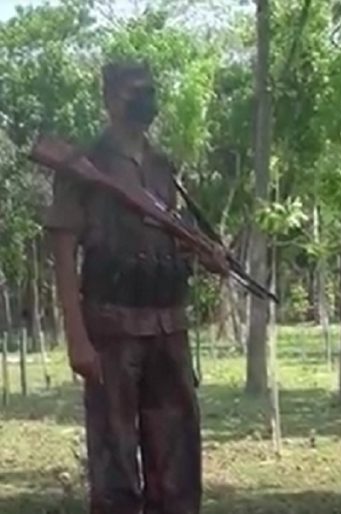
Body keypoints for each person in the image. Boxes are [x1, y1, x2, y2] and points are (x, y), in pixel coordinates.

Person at [46, 60, 228, 514]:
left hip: (169, 328)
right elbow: (64, 253)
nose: (146, 101)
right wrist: (76, 338)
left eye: (151, 91)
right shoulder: (82, 165)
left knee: (178, 463)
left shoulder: (164, 167)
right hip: (111, 329)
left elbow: (171, 240)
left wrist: (205, 256)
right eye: (135, 93)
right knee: (116, 466)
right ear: (109, 99)